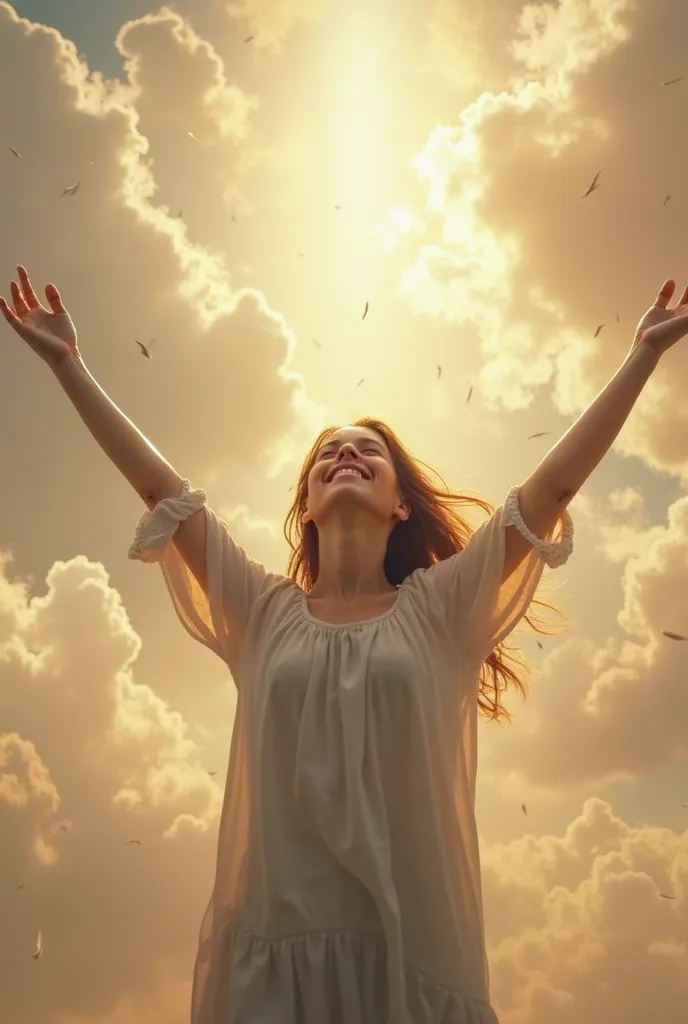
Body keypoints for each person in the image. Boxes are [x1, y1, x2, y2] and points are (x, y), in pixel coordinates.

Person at [2, 264, 685, 1024]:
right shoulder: (260, 612)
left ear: (400, 504)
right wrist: (71, 366)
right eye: (327, 454)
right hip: (272, 971)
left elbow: (551, 489)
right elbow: (161, 490)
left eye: (368, 450)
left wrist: (642, 356)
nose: (344, 455)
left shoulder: (442, 609)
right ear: (309, 509)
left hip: (412, 962)